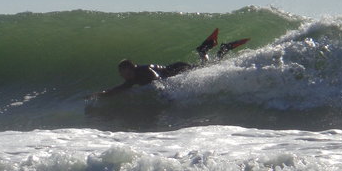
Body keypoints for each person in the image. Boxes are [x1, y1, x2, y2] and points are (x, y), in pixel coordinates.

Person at [92, 29, 249, 97]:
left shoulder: (144, 71)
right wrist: (101, 94)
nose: (124, 76)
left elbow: (155, 78)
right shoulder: (132, 79)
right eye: (122, 74)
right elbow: (120, 88)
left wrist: (163, 92)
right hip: (174, 70)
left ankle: (222, 49)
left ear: (132, 68)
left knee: (206, 68)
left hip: (177, 68)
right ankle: (205, 50)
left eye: (125, 72)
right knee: (205, 66)